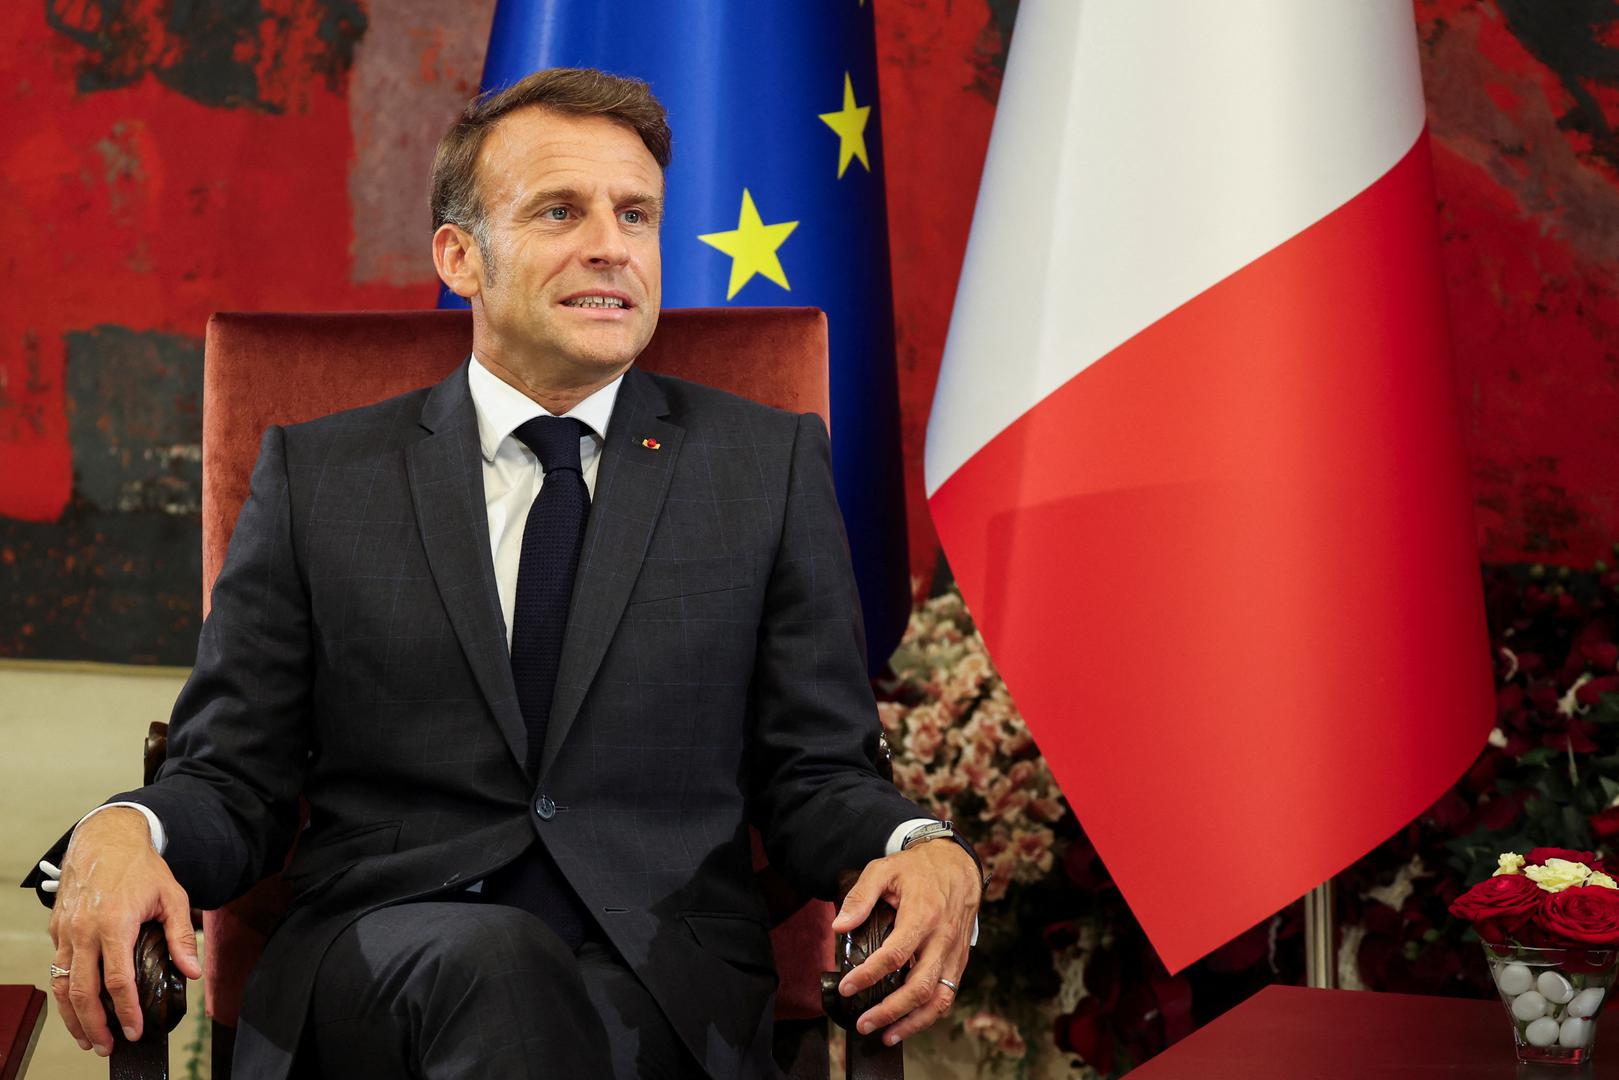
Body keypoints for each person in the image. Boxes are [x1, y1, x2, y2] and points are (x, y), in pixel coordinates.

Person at [23, 68, 982, 1079]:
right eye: (560, 210)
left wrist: (920, 840)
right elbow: (234, 776)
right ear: (459, 257)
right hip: (385, 960)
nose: (611, 244)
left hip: (661, 980)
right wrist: (130, 829)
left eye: (636, 213)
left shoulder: (763, 468)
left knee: (547, 1008)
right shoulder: (322, 477)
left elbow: (814, 771)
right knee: (498, 968)